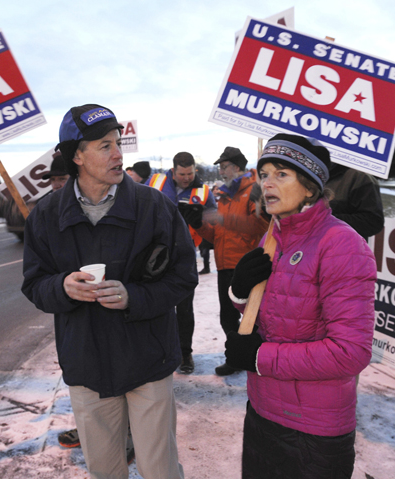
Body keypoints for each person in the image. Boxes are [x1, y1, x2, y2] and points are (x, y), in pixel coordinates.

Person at [22, 104, 196, 479]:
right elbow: (34, 285)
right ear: (77, 156)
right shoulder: (46, 215)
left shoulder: (156, 207)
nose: (118, 153)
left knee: (159, 470)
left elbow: (183, 277)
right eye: (104, 145)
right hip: (87, 364)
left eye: (117, 143)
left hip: (148, 359)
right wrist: (62, 287)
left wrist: (135, 297)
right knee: (104, 470)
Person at [224, 134, 377, 478]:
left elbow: (350, 352)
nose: (267, 183)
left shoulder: (341, 245)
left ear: (309, 187)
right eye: (264, 174)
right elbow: (276, 315)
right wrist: (240, 291)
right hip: (262, 412)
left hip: (313, 430)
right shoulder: (273, 236)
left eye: (281, 174)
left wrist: (259, 357)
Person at [182, 146, 269, 376]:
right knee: (227, 317)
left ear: (236, 167)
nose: (220, 171)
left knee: (256, 316)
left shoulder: (254, 191)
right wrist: (199, 223)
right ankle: (236, 358)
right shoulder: (223, 194)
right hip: (224, 265)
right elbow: (216, 235)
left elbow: (259, 226)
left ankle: (260, 356)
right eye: (219, 167)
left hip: (248, 264)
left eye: (223, 166)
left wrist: (223, 218)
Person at [146, 152, 217, 374]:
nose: (187, 178)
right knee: (156, 304)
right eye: (182, 174)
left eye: (190, 173)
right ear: (173, 171)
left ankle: (185, 353)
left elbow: (216, 222)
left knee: (184, 308)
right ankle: (160, 353)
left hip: (185, 257)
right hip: (153, 255)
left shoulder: (204, 191)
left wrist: (200, 220)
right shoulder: (156, 181)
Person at [326, 162, 384, 239]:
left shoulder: (359, 177)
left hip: (343, 247)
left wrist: (328, 220)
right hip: (310, 247)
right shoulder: (310, 175)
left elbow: (373, 222)